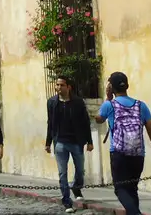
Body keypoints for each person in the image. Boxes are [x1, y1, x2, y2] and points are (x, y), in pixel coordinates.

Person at [95, 72, 151, 215]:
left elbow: (98, 119)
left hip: (118, 154)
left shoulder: (109, 105)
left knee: (120, 189)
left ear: (111, 87)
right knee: (132, 189)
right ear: (126, 86)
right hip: (138, 154)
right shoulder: (141, 106)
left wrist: (108, 99)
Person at [45, 76, 93, 213]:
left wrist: (90, 141)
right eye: (57, 85)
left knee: (80, 170)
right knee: (62, 173)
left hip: (76, 142)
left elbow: (85, 123)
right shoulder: (52, 102)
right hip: (60, 142)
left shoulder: (78, 102)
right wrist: (48, 142)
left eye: (62, 85)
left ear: (68, 87)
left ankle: (76, 187)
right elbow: (50, 123)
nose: (59, 88)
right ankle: (67, 202)